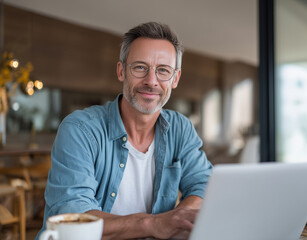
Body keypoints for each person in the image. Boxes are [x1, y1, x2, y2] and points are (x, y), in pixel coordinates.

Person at [36, 22, 213, 240]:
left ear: (175, 79)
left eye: (163, 71)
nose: (151, 81)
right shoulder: (79, 129)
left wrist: (175, 220)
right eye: (140, 67)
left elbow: (205, 186)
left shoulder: (181, 128)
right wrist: (153, 224)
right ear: (121, 71)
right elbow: (73, 215)